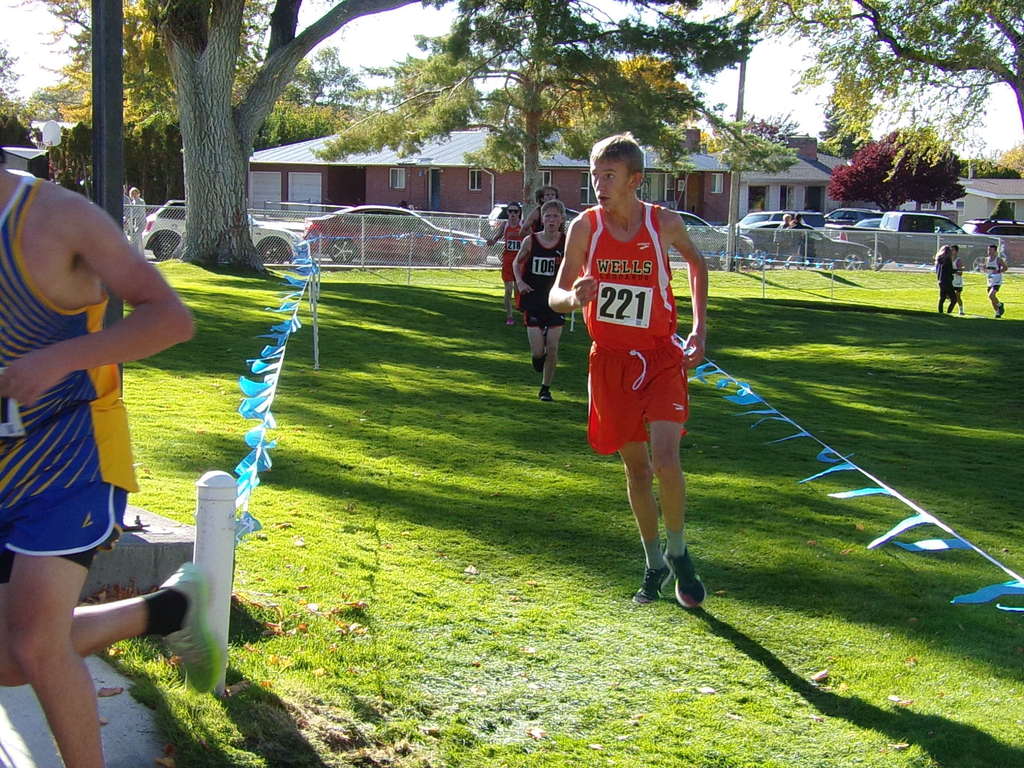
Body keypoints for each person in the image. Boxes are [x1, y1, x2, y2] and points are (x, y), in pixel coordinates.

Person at [0, 150, 221, 768]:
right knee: (11, 661)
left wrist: (57, 360)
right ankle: (172, 608)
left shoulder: (57, 217)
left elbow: (170, 319)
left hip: (69, 459)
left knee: (38, 647)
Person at [549, 133, 708, 608]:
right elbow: (555, 296)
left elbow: (697, 265)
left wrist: (699, 328)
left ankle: (679, 552)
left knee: (666, 459)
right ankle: (653, 560)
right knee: (637, 471)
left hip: (661, 356)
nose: (599, 184)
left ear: (634, 180)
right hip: (611, 362)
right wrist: (575, 298)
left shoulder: (662, 223)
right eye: (594, 175)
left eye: (609, 176)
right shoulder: (585, 228)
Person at [513, 199, 567, 401]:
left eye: (555, 216)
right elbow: (517, 264)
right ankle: (537, 359)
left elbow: (577, 266)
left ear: (561, 219)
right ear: (542, 219)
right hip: (533, 299)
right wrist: (519, 282)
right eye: (547, 216)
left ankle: (545, 388)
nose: (551, 220)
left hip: (556, 300)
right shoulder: (531, 241)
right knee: (538, 352)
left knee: (552, 346)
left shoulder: (567, 242)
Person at [487, 202, 526, 325]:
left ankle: (522, 309)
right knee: (508, 290)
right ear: (507, 213)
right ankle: (509, 316)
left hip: (520, 261)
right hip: (508, 260)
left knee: (518, 289)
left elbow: (531, 238)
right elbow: (496, 237)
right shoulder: (505, 225)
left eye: (515, 211)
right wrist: (491, 241)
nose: (513, 214)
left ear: (519, 213)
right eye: (510, 211)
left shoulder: (523, 224)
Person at [982, 243, 1008, 317]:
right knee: (992, 298)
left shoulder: (998, 259)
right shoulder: (986, 259)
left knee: (991, 295)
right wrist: (983, 269)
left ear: (995, 251)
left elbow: (1005, 268)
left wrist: (998, 271)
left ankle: (1000, 305)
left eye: (991, 250)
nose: (989, 251)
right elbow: (984, 267)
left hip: (997, 280)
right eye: (988, 250)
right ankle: (997, 313)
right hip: (989, 280)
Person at [934, 245, 957, 314]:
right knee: (954, 299)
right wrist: (956, 271)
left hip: (940, 281)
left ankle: (940, 312)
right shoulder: (947, 260)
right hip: (947, 281)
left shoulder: (938, 260)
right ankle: (948, 312)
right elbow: (949, 271)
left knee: (942, 298)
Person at [126, 186, 146, 252]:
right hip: (136, 224)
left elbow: (139, 213)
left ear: (138, 193)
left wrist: (130, 216)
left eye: (135, 193)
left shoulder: (141, 201)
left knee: (135, 238)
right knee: (138, 239)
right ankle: (139, 254)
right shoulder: (133, 202)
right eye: (132, 193)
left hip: (141, 223)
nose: (134, 195)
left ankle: (137, 253)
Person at [950, 244, 966, 315]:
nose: (951, 251)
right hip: (950, 280)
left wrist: (953, 271)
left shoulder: (958, 260)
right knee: (948, 295)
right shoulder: (948, 259)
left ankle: (961, 310)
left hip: (957, 281)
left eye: (953, 250)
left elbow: (960, 273)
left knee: (958, 296)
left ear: (956, 251)